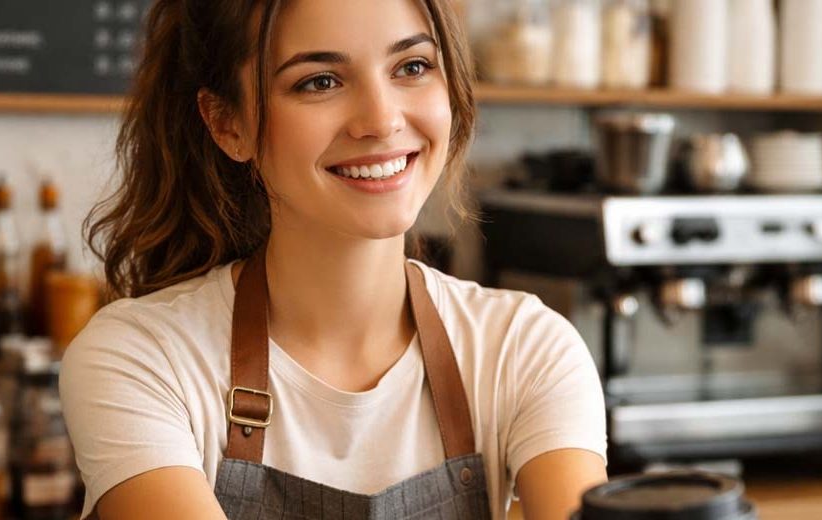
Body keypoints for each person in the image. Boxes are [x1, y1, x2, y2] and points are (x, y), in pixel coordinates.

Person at [59, 0, 608, 518]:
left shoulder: (526, 349)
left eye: (412, 67)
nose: (381, 120)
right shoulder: (143, 360)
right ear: (228, 124)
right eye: (319, 81)